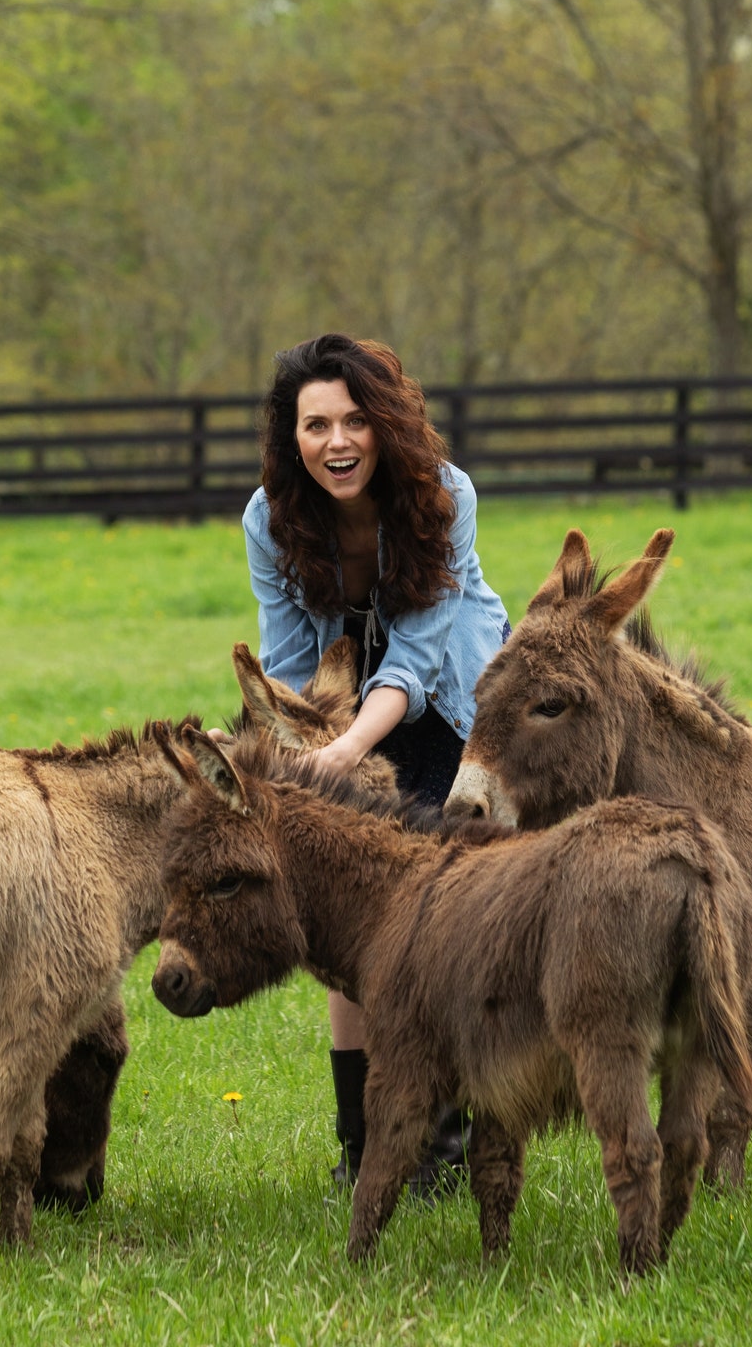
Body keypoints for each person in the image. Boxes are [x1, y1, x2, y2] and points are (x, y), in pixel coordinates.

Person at [242, 333, 511, 1194]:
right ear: (292, 439)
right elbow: (289, 659)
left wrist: (345, 753)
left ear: (387, 424)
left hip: (453, 700)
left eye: (357, 419)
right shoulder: (268, 518)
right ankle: (364, 1148)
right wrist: (285, 749)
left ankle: (445, 1140)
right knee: (355, 917)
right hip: (338, 700)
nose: (338, 442)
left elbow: (422, 654)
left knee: (442, 915)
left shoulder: (444, 494)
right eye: (315, 425)